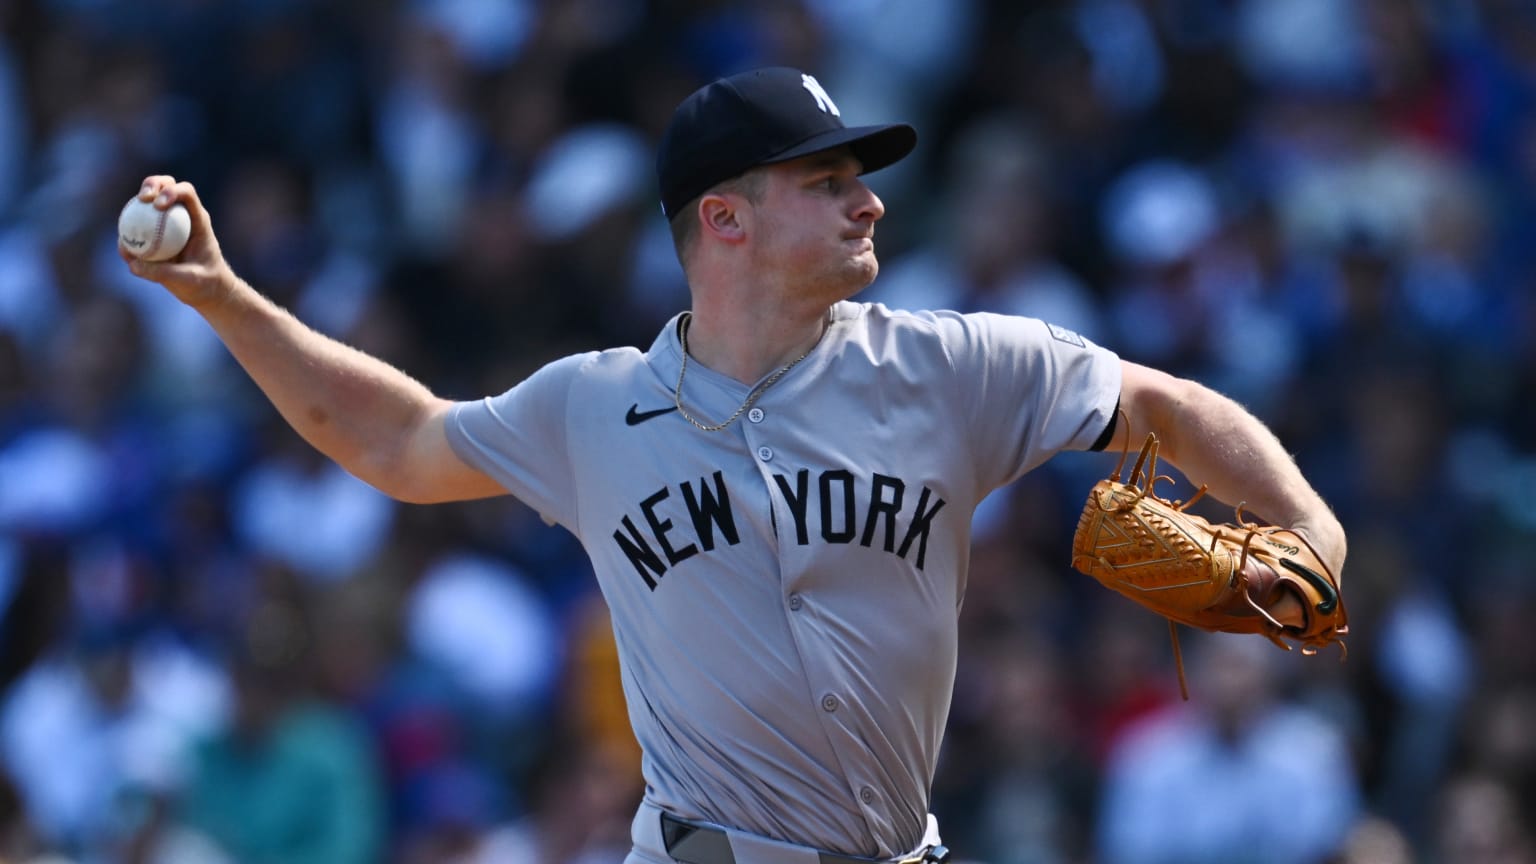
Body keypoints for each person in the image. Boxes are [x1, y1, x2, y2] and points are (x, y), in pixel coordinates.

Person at [122, 66, 1347, 864]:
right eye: (829, 181)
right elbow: (390, 437)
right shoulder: (594, 408)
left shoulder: (954, 366)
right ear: (726, 219)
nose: (869, 205)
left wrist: (1307, 528)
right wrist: (223, 298)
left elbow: (1164, 406)